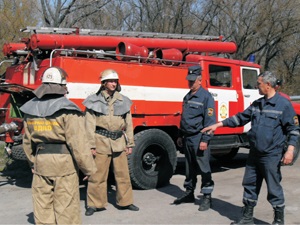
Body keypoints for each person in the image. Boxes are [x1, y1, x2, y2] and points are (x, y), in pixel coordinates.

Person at [202, 71, 300, 225]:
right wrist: (218, 124)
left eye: (259, 83)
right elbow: (240, 118)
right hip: (254, 154)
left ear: (268, 85)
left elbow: (294, 130)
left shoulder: (283, 105)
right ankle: (247, 218)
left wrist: (290, 150)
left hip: (271, 155)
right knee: (250, 185)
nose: (256, 86)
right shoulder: (257, 103)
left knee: (273, 188)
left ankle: (278, 220)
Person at [20, 67, 96, 225]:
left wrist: (32, 162)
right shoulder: (68, 110)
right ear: (62, 86)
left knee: (43, 206)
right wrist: (88, 168)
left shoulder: (30, 110)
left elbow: (27, 141)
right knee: (66, 207)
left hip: (41, 162)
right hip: (64, 164)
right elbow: (78, 144)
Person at [83, 68, 139, 216]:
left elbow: (128, 123)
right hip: (100, 141)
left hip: (119, 142)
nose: (113, 84)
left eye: (115, 81)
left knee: (123, 175)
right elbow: (89, 124)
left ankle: (125, 202)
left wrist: (130, 143)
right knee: (97, 175)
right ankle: (95, 204)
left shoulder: (123, 100)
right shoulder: (93, 100)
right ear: (104, 83)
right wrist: (91, 145)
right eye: (111, 81)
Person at [173, 65, 216, 211]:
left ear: (200, 80)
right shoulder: (188, 96)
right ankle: (189, 193)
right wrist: (180, 135)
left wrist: (205, 139)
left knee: (204, 169)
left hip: (199, 138)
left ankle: (207, 197)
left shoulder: (206, 97)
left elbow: (210, 121)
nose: (190, 83)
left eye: (192, 81)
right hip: (187, 138)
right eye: (189, 81)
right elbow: (184, 117)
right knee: (189, 168)